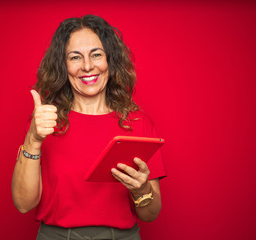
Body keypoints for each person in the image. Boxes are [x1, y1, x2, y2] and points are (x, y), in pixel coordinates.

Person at [11, 15, 166, 240]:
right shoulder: (44, 123)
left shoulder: (139, 123)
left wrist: (141, 190)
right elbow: (24, 204)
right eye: (75, 57)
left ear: (110, 61)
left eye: (96, 54)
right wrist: (33, 140)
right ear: (63, 65)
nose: (87, 66)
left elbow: (151, 215)